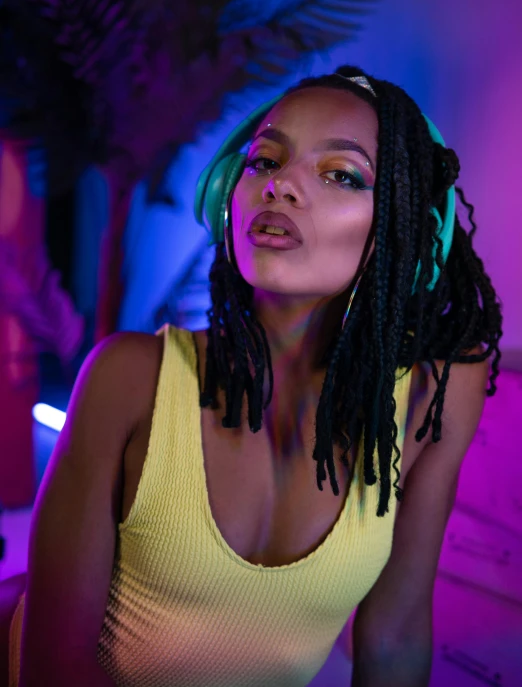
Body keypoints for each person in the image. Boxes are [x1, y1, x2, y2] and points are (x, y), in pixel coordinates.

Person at [5, 66, 502, 687]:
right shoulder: (128, 376)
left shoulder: (435, 393)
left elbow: (396, 635)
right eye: (266, 161)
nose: (283, 186)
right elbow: (53, 669)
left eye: (342, 175)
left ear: (396, 235)